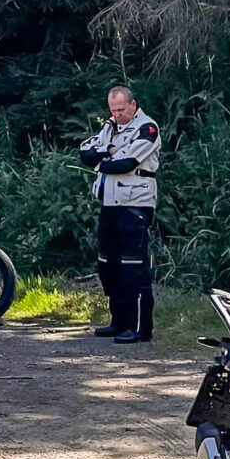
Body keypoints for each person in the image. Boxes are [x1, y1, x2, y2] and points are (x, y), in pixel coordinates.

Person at [79, 84, 161, 344]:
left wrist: (103, 159)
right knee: (108, 264)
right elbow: (84, 153)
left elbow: (126, 163)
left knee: (133, 267)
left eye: (122, 110)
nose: (117, 115)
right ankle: (118, 322)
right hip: (110, 204)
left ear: (133, 105)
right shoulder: (109, 127)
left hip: (135, 204)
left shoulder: (147, 128)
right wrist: (108, 152)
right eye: (113, 110)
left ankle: (139, 328)